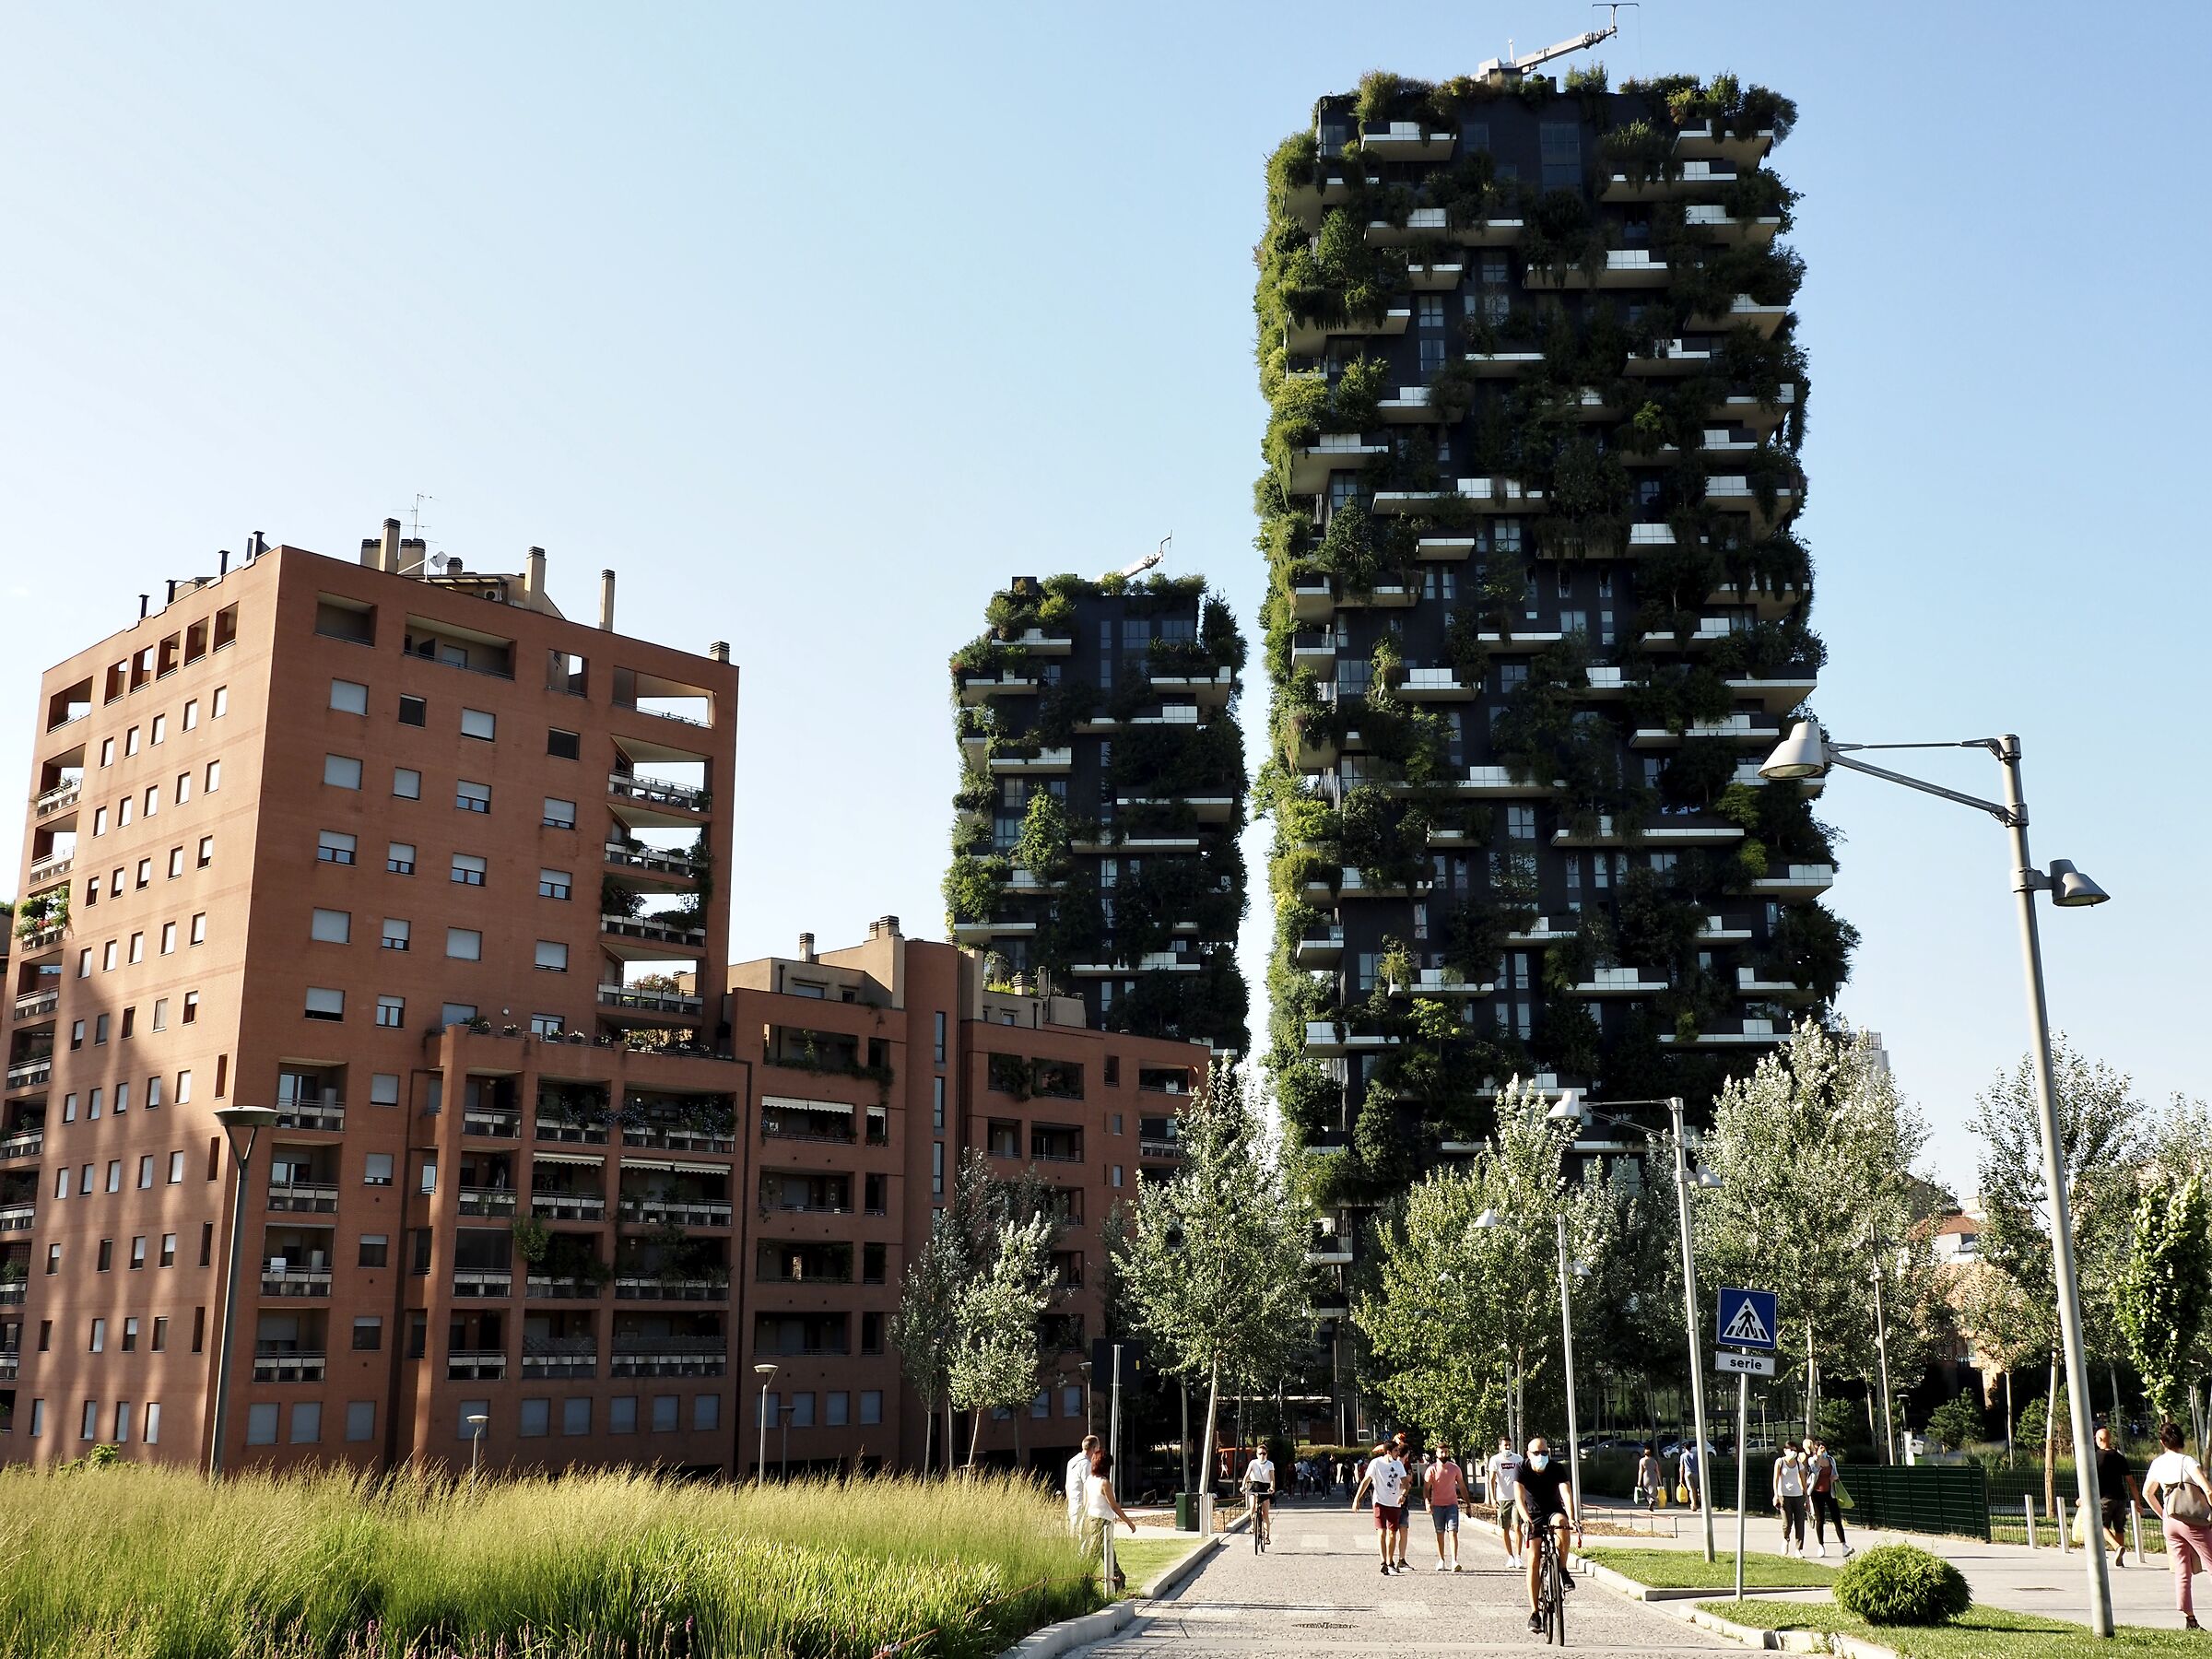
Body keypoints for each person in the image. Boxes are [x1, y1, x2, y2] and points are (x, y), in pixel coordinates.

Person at [2145, 1420, 2212, 1628]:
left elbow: (2147, 1492)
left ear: (2162, 1442)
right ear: (2181, 1439)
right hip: (2192, 1521)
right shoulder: (2187, 1461)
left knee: (2182, 1569)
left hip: (2171, 1521)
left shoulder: (2157, 1463)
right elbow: (2208, 1490)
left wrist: (2163, 1514)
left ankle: (2189, 1618)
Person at [1514, 1435, 1580, 1634]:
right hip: (1533, 1514)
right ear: (1528, 1454)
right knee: (1534, 1558)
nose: (1541, 1456)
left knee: (1562, 1524)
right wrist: (1526, 1520)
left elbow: (1566, 1493)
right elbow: (1519, 1498)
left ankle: (1562, 1569)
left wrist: (1572, 1517)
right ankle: (1535, 1613)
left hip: (1552, 1511)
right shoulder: (1522, 1468)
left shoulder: (1556, 1468)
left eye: (1544, 1452)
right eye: (1536, 1453)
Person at [1351, 1441, 1412, 1577]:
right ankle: (1383, 1562)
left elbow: (1406, 1484)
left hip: (1395, 1503)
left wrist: (1403, 1495)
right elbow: (1366, 1481)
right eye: (1396, 1451)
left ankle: (1391, 1562)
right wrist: (1357, 1499)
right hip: (1379, 1502)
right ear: (1388, 1452)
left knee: (1392, 1533)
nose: (1398, 1453)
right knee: (1381, 1532)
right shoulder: (1376, 1463)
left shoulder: (1398, 1465)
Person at [1085, 1450, 1137, 1592]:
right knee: (1098, 1555)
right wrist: (1129, 1522)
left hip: (1092, 1519)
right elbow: (1114, 1505)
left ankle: (1118, 1582)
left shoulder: (1089, 1480)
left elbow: (1087, 1502)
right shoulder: (1104, 1483)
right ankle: (1113, 1582)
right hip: (1102, 1520)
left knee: (1104, 1554)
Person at [2094, 1426, 2142, 1568]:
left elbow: (2089, 1479)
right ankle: (2119, 1559)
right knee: (2119, 1527)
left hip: (2104, 1497)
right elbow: (2131, 1482)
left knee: (2101, 1525)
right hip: (2121, 1497)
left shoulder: (2095, 1457)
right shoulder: (2119, 1457)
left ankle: (2116, 1547)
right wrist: (2138, 1501)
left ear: (2100, 1439)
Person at [1806, 1436, 1853, 1559]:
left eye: (1824, 1448)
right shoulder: (1812, 1460)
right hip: (1816, 1492)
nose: (1823, 1450)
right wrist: (1819, 1456)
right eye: (1820, 1448)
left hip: (1829, 1491)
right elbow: (1815, 1470)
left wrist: (1835, 1478)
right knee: (1820, 1519)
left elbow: (1835, 1473)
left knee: (1836, 1518)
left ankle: (1844, 1545)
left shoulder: (1831, 1460)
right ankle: (1821, 1545)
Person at [1425, 1442, 1467, 1571]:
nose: (1444, 1454)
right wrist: (1427, 1502)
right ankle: (1441, 1560)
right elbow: (1426, 1488)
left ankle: (1454, 1561)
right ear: (1436, 1453)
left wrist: (1468, 1504)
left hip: (1452, 1505)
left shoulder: (1454, 1468)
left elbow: (1462, 1486)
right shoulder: (1431, 1469)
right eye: (1441, 1452)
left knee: (1453, 1532)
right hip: (1437, 1506)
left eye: (1446, 1452)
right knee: (1440, 1533)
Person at [1488, 1435, 1527, 1564]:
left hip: (1517, 1498)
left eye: (1509, 1445)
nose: (1507, 1447)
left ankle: (1518, 1556)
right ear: (1500, 1446)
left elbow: (1524, 1477)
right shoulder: (1495, 1460)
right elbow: (1492, 1480)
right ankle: (1510, 1556)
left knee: (1517, 1527)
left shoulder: (1518, 1459)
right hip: (1502, 1499)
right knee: (1504, 1528)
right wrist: (1493, 1499)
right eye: (1505, 1445)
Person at [1772, 1441, 1809, 1559]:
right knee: (1787, 1523)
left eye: (1795, 1450)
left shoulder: (1799, 1464)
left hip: (1797, 1495)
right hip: (1784, 1495)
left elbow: (1803, 1480)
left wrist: (1806, 1497)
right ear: (1785, 1450)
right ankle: (1786, 1539)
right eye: (1790, 1450)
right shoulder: (1780, 1462)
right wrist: (1776, 1495)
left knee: (1800, 1522)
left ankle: (1798, 1549)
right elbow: (1776, 1479)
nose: (1793, 1452)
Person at [1065, 1434, 1100, 1538]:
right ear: (1094, 1448)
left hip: (1072, 1505)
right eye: (1098, 1449)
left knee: (1074, 1537)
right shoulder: (1086, 1464)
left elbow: (1067, 1486)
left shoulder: (1071, 1462)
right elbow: (1089, 1488)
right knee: (1083, 1540)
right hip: (1083, 1507)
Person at [1241, 1444, 1277, 1543]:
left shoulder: (1270, 1464)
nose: (1262, 1455)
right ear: (1256, 1454)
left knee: (1265, 1514)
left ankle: (1267, 1536)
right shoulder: (1253, 1463)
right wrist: (1243, 1486)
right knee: (1252, 1506)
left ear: (1267, 1454)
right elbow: (1247, 1476)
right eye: (1260, 1453)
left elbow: (1272, 1479)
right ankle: (1253, 1524)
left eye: (1264, 1453)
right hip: (1254, 1486)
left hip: (1265, 1488)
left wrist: (1272, 1487)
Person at [1634, 1442, 1662, 1513]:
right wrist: (1660, 1481)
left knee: (1647, 1492)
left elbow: (1640, 1471)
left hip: (1646, 1477)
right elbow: (1658, 1471)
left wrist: (1639, 1481)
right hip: (1654, 1477)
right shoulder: (1654, 1461)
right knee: (1653, 1492)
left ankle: (1650, 1501)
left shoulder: (1642, 1461)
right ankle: (1652, 1501)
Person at [1678, 1439, 1702, 1512]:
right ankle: (1700, 1502)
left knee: (1691, 1490)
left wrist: (1680, 1478)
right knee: (1696, 1488)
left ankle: (1693, 1504)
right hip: (1696, 1473)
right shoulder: (1695, 1455)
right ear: (1691, 1448)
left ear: (1685, 1448)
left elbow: (1681, 1467)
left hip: (1688, 1473)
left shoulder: (1683, 1456)